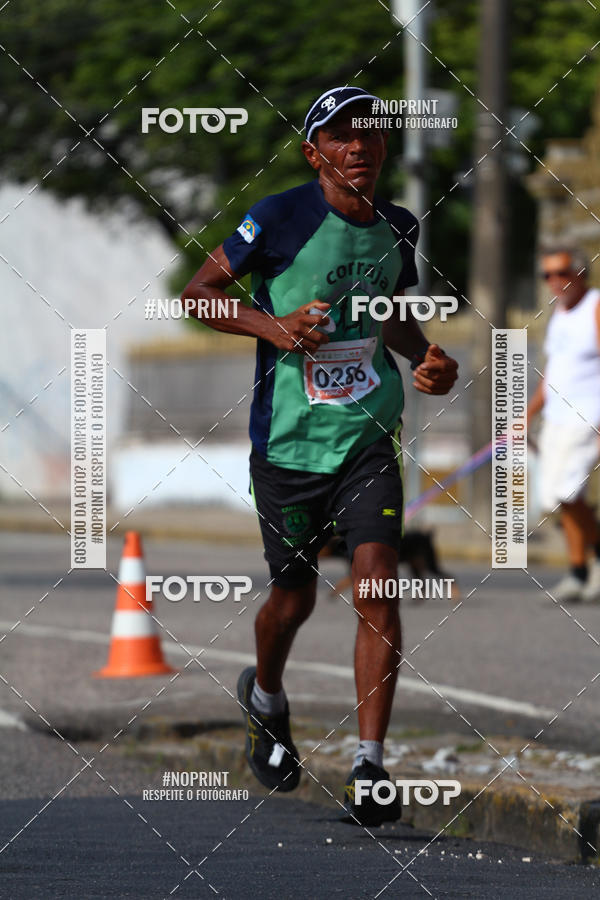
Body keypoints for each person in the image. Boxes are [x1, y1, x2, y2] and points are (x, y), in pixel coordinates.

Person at [182, 86, 458, 826]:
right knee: (293, 599)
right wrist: (273, 328)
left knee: (376, 584)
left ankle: (370, 767)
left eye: (370, 135)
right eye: (341, 137)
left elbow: (388, 316)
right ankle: (266, 696)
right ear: (314, 153)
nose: (360, 146)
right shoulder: (278, 218)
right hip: (289, 445)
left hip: (367, 437)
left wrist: (429, 356)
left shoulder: (399, 226)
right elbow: (199, 293)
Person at [528, 244, 600, 603]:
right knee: (555, 497)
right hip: (556, 419)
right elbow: (552, 373)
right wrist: (526, 415)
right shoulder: (558, 313)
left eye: (561, 273)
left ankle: (595, 558)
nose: (554, 282)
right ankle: (578, 571)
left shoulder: (595, 306)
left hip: (588, 416)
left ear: (581, 273)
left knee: (568, 491)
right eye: (547, 275)